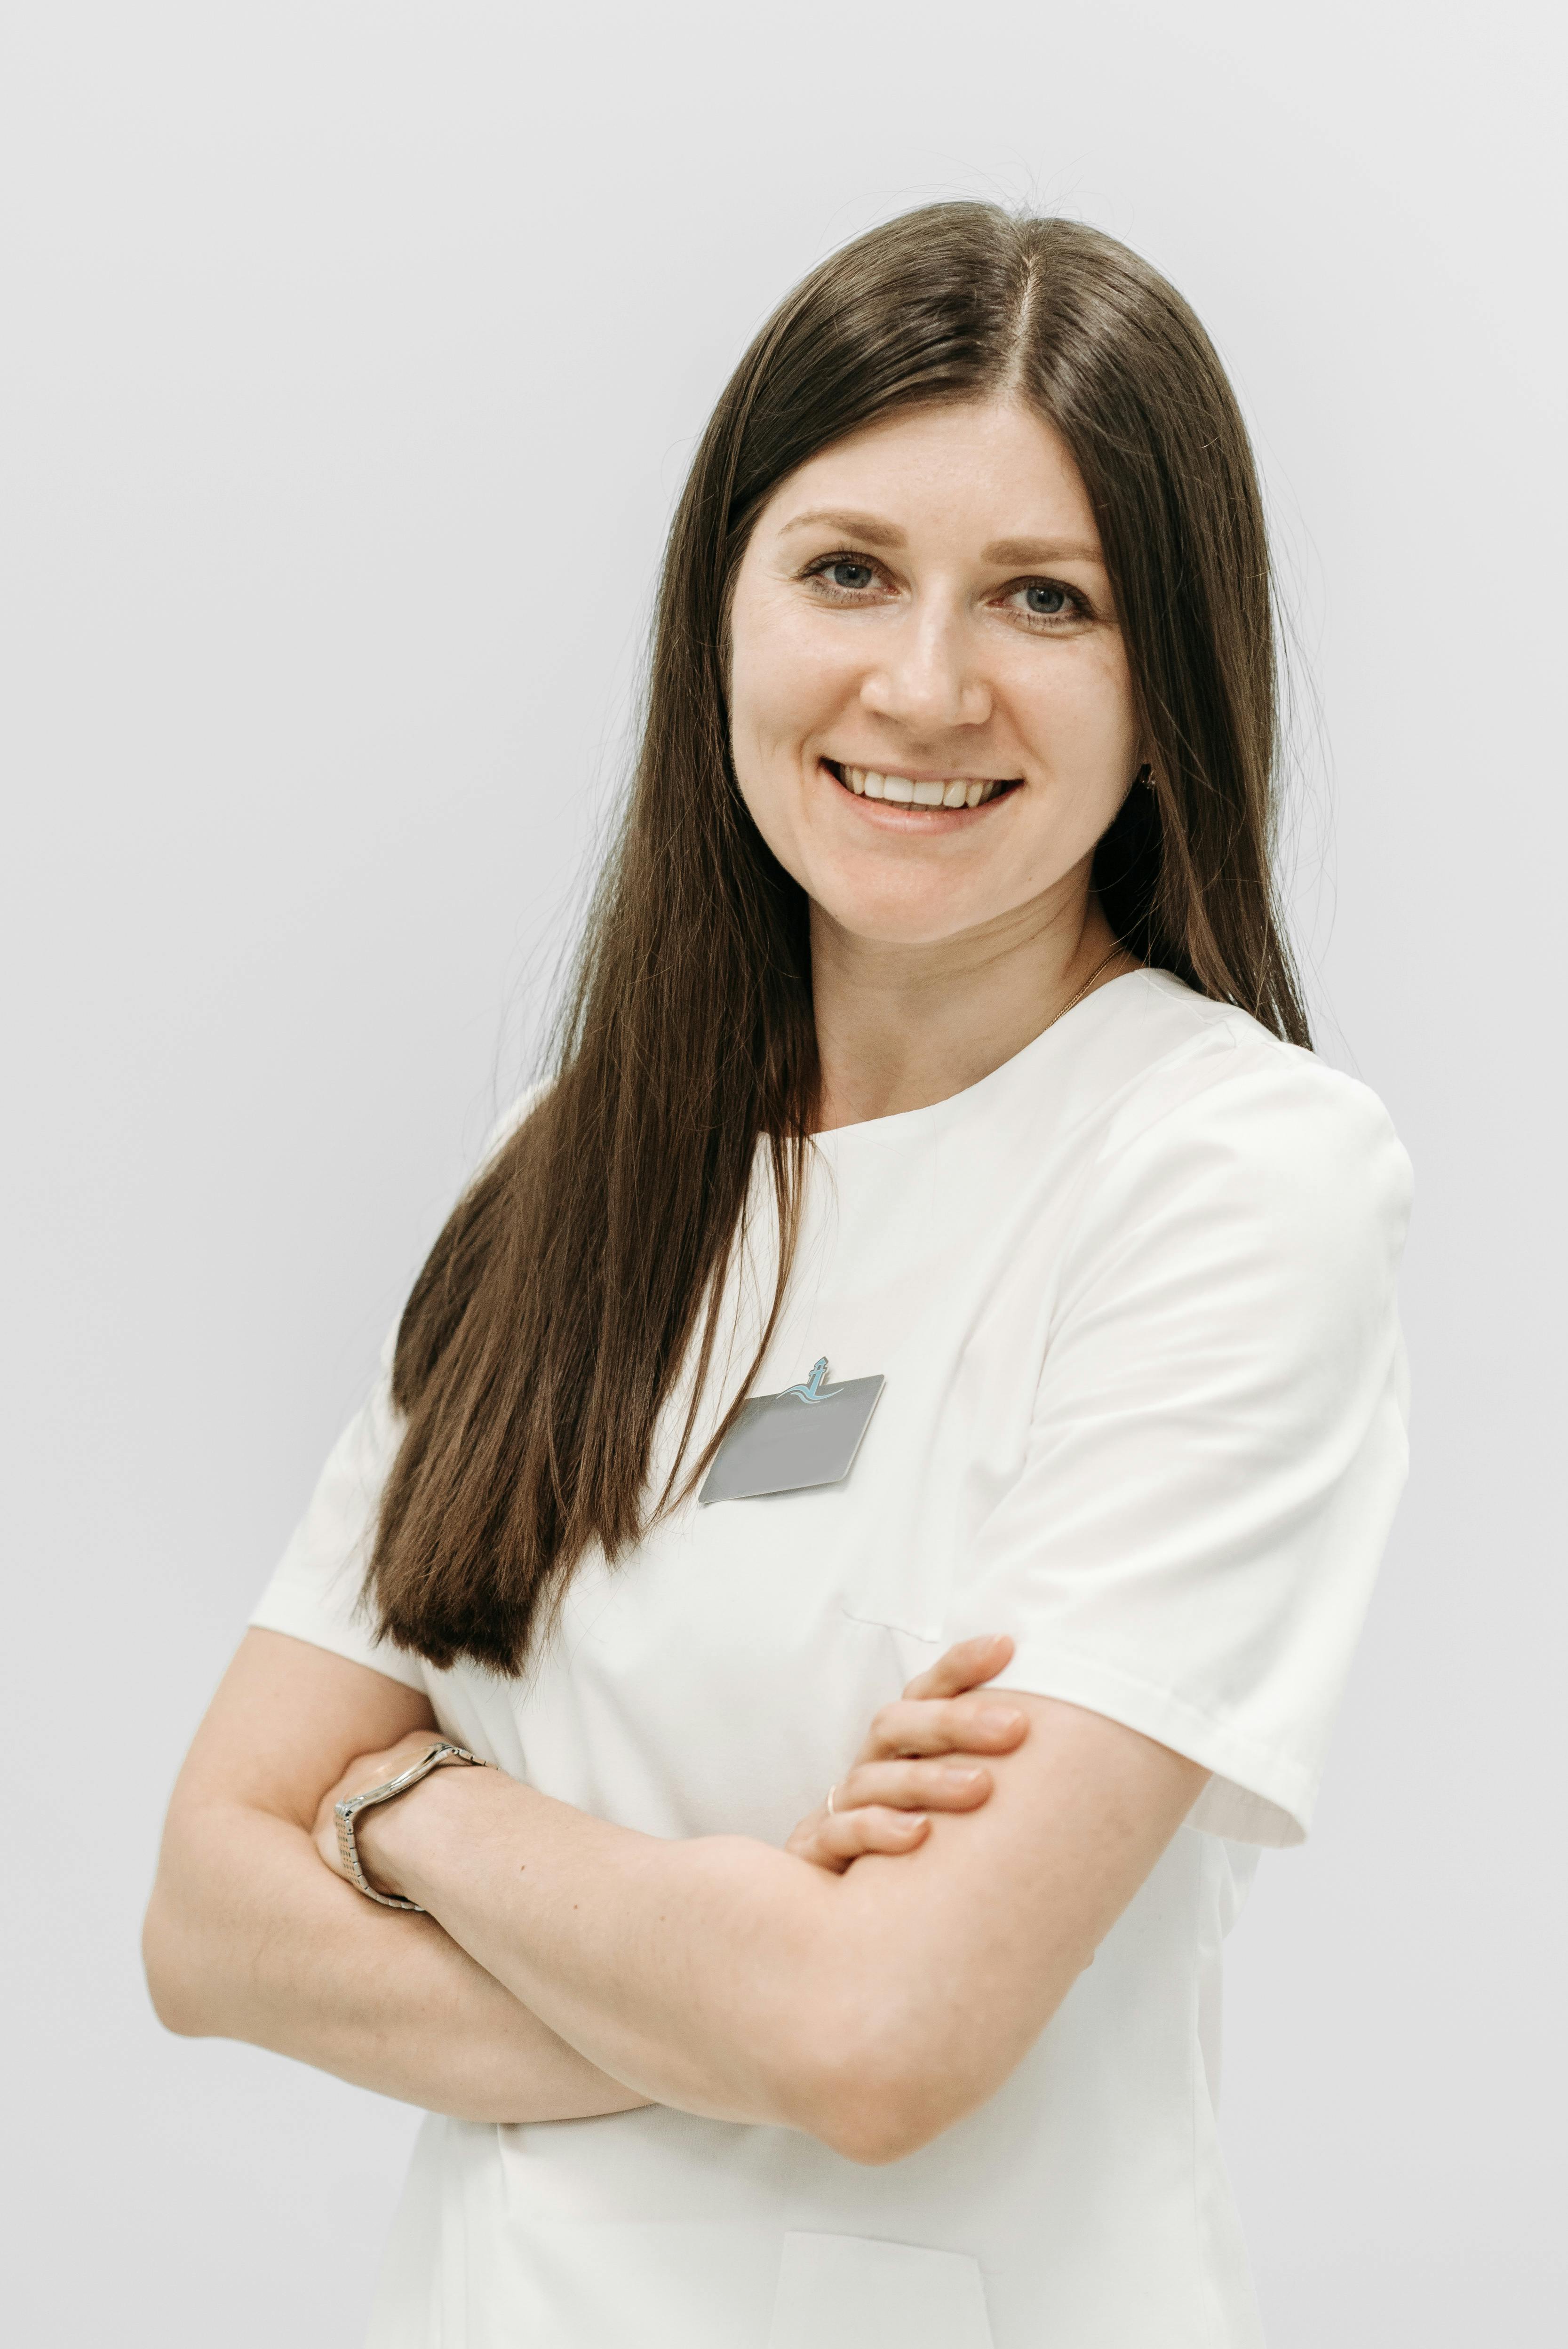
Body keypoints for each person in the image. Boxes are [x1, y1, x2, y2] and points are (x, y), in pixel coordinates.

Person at [143, 203, 1412, 2348]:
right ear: (718, 615)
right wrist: (747, 1961)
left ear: (1172, 673)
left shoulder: (1233, 1176)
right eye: (848, 571)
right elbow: (202, 1917)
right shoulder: (575, 1171)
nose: (925, 685)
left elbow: (887, 2042)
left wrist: (411, 1806)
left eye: (1046, 597)